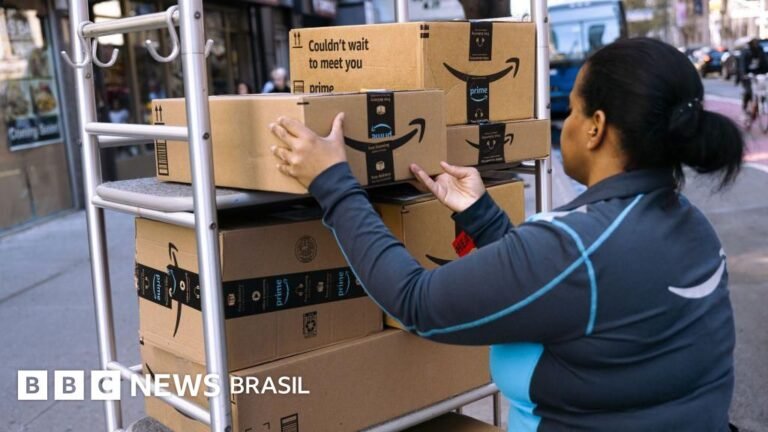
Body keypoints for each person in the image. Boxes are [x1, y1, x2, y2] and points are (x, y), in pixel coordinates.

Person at [269, 38, 743, 431]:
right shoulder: (689, 224)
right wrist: (482, 218)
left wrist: (333, 183)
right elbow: (562, 293)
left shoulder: (579, 246)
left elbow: (416, 303)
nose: (567, 124)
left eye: (573, 110)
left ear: (595, 127)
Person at [740, 38, 768, 114]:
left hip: (758, 73)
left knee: (762, 91)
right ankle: (745, 107)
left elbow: (764, 62)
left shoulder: (760, 50)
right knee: (748, 91)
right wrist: (744, 74)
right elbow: (742, 64)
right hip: (747, 74)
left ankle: (761, 104)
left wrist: (765, 72)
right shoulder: (746, 51)